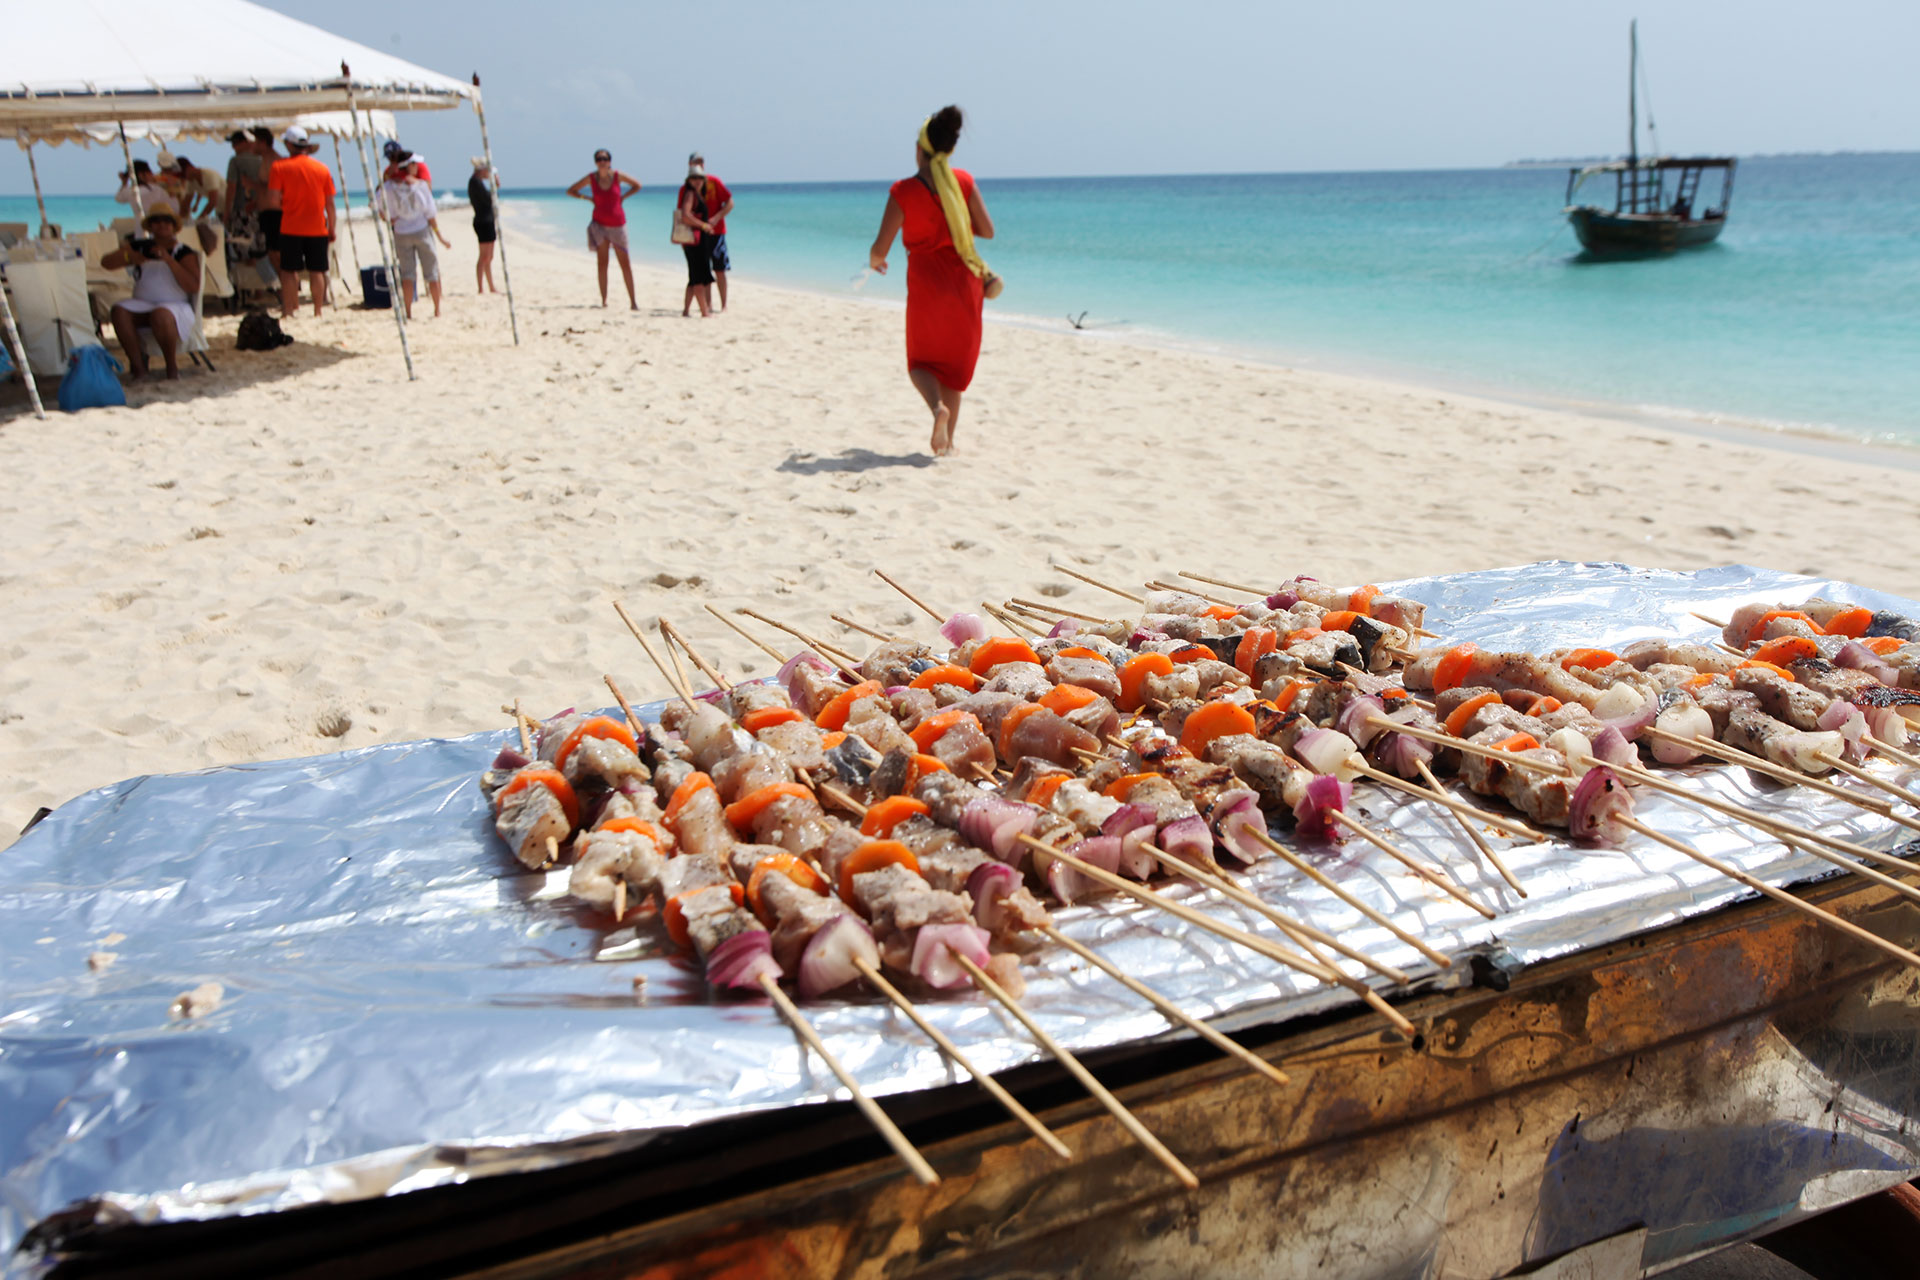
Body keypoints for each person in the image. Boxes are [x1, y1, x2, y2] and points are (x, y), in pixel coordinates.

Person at [867, 105, 999, 456]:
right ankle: (948, 445)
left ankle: (936, 409)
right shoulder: (964, 182)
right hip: (965, 283)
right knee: (954, 369)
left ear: (920, 149)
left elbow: (881, 248)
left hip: (927, 283)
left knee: (920, 363)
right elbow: (987, 231)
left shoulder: (903, 191)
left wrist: (875, 262)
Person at [102, 210, 201, 380]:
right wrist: (130, 257)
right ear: (151, 226)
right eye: (157, 220)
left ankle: (171, 366)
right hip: (143, 303)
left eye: (167, 221)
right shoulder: (139, 246)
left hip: (175, 306)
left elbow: (193, 286)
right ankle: (138, 366)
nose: (162, 225)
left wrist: (169, 261)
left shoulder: (183, 251)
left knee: (160, 314)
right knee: (119, 311)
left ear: (174, 227)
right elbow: (106, 262)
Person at [266, 125, 336, 319]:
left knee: (289, 271)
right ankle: (318, 311)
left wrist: (290, 204)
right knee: (317, 271)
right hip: (317, 227)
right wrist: (332, 227)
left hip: (291, 226)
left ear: (289, 144)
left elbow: (272, 200)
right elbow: (330, 203)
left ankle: (289, 310)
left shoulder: (279, 167)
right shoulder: (322, 169)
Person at [376, 154, 451, 318]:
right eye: (415, 164)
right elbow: (430, 213)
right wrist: (439, 236)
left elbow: (377, 206)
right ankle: (437, 310)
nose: (417, 167)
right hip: (421, 230)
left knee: (407, 275)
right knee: (431, 272)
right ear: (409, 165)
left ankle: (408, 312)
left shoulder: (388, 186)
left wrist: (389, 219)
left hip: (401, 232)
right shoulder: (420, 185)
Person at [567, 150, 639, 309]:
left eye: (605, 159)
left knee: (625, 264)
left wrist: (623, 197)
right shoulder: (591, 178)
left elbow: (637, 185)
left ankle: (633, 301)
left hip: (618, 224)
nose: (602, 162)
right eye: (599, 159)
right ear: (595, 162)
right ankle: (604, 300)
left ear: (610, 161)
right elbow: (571, 190)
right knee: (602, 264)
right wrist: (587, 198)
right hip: (599, 224)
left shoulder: (618, 176)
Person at [686, 152, 734, 310]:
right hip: (698, 235)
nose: (699, 164)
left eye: (701, 162)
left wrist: (716, 218)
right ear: (689, 165)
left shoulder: (714, 182)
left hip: (717, 232)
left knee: (720, 269)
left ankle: (724, 304)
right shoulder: (688, 187)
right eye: (695, 162)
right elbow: (683, 211)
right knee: (704, 270)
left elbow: (730, 202)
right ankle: (708, 304)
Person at [674, 160, 720, 318]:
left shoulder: (696, 194)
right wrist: (703, 226)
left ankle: (686, 310)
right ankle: (704, 311)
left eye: (700, 178)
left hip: (696, 241)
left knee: (694, 277)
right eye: (694, 178)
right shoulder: (690, 194)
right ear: (688, 180)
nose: (697, 181)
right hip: (695, 242)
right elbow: (686, 216)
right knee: (699, 276)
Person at [251, 127, 286, 280]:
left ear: (262, 142)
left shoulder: (273, 160)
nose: (252, 146)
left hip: (274, 213)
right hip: (270, 213)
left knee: (277, 254)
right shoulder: (267, 159)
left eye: (254, 142)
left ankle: (287, 286)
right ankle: (287, 286)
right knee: (273, 254)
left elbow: (273, 187)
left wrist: (252, 185)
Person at [469, 156, 500, 294]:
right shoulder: (475, 182)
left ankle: (490, 286)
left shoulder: (477, 182)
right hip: (483, 221)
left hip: (487, 220)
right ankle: (481, 287)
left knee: (489, 257)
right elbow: (489, 199)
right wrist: (495, 186)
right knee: (484, 256)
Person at [114, 161, 178, 219]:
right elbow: (175, 208)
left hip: (139, 225)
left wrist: (124, 182)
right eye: (149, 172)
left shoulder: (129, 191)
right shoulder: (156, 190)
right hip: (157, 225)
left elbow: (119, 198)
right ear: (141, 174)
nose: (152, 174)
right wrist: (171, 188)